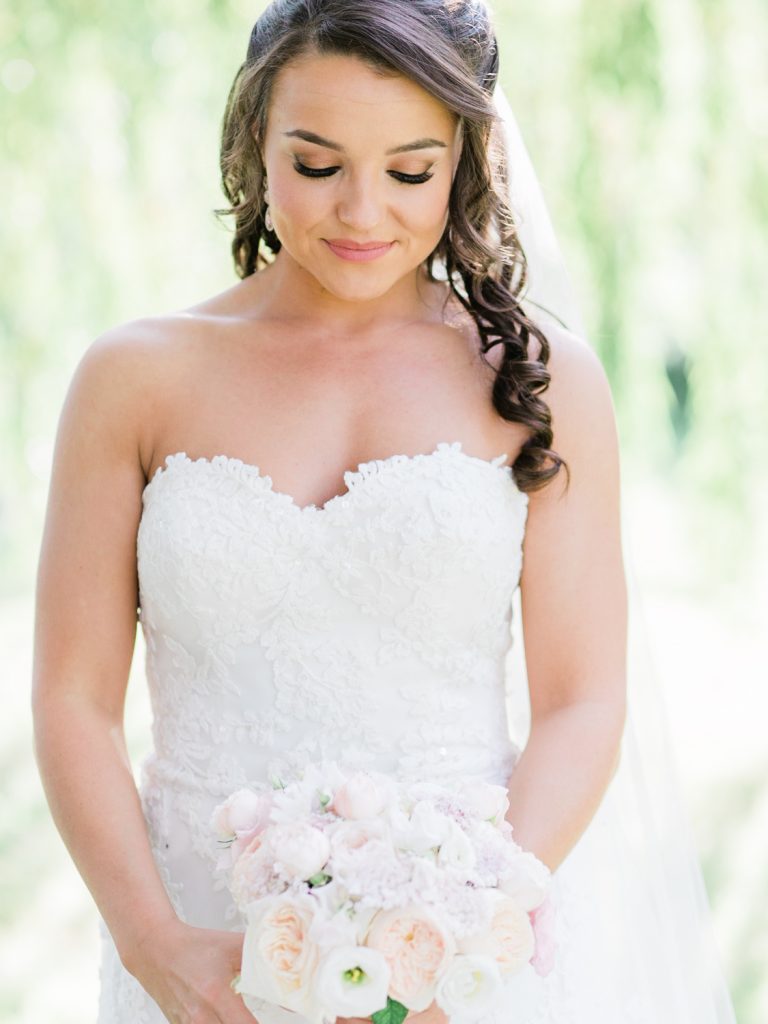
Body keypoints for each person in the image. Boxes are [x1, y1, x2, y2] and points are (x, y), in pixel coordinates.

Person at [31, 2, 737, 1023]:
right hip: (195, 954)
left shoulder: (539, 380)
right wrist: (155, 944)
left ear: (464, 161)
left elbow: (584, 699)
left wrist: (471, 927)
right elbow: (72, 699)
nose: (363, 212)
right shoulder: (132, 378)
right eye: (317, 166)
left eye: (410, 172)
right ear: (253, 144)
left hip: (463, 965)